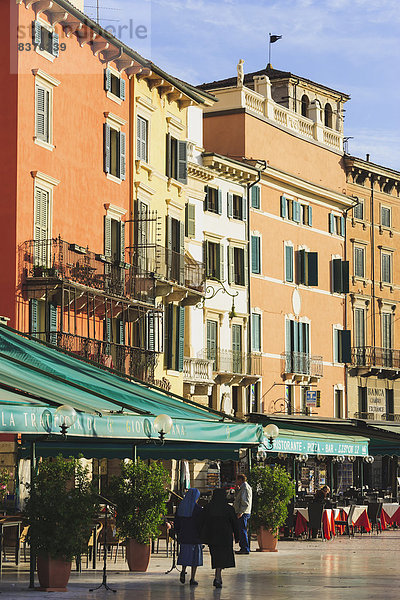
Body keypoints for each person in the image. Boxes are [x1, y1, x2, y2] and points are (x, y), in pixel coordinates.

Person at [200, 488, 239, 589]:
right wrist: (237, 537)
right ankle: (218, 576)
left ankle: (218, 576)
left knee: (216, 556)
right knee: (223, 556)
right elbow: (235, 523)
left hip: (212, 536)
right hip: (225, 536)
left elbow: (202, 521)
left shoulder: (208, 507)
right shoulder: (228, 509)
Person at [174, 488, 203, 586]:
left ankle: (183, 571)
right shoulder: (198, 509)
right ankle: (192, 578)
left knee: (185, 555)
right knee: (195, 558)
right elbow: (201, 524)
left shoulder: (181, 508)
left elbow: (177, 523)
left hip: (184, 536)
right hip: (195, 537)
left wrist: (178, 533)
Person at [233, 474, 252, 554]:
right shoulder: (242, 488)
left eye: (237, 480)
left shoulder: (245, 488)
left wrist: (241, 512)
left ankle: (245, 548)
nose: (236, 481)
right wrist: (237, 490)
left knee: (242, 530)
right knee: (241, 530)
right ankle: (243, 547)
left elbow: (245, 501)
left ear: (240, 480)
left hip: (243, 513)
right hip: (243, 511)